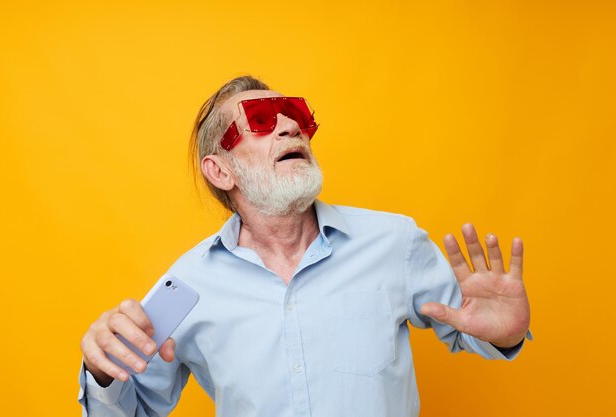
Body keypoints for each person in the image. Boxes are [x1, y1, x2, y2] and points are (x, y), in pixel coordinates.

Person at [78, 76, 532, 417]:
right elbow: (131, 410)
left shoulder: (396, 242)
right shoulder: (187, 287)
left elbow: (469, 326)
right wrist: (101, 373)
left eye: (297, 115)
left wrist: (506, 334)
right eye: (260, 120)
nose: (292, 127)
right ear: (221, 171)